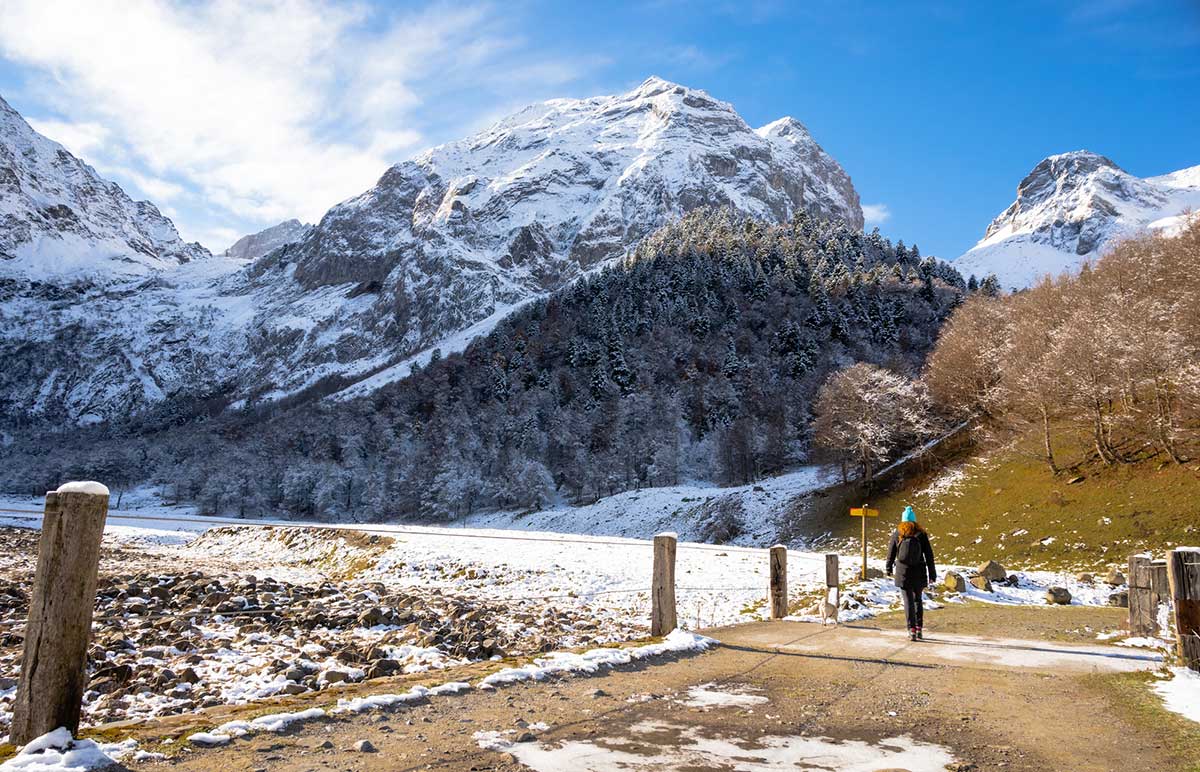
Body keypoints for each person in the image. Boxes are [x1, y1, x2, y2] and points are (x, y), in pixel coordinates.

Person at [884, 505, 936, 641]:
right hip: (919, 571)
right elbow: (929, 555)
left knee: (908, 601)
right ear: (914, 520)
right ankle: (919, 629)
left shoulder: (898, 534)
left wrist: (888, 568)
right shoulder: (921, 534)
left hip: (903, 572)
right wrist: (932, 574)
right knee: (918, 599)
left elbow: (891, 553)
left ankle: (911, 629)